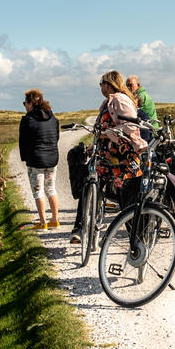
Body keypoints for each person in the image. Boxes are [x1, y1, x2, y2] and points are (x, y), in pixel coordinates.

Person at [73, 70, 147, 244]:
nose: (100, 87)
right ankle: (82, 226)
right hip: (107, 157)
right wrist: (94, 144)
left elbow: (130, 127)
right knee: (90, 182)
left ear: (109, 83)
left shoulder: (120, 100)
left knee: (126, 198)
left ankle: (138, 238)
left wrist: (107, 134)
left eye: (101, 83)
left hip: (123, 157)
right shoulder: (109, 101)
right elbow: (103, 127)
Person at [20, 89, 60, 230]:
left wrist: (25, 158)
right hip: (52, 158)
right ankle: (55, 220)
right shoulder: (52, 117)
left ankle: (43, 223)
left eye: (25, 102)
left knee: (38, 191)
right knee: (51, 189)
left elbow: (23, 142)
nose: (24, 105)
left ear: (31, 103)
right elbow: (56, 137)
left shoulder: (27, 120)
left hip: (36, 160)